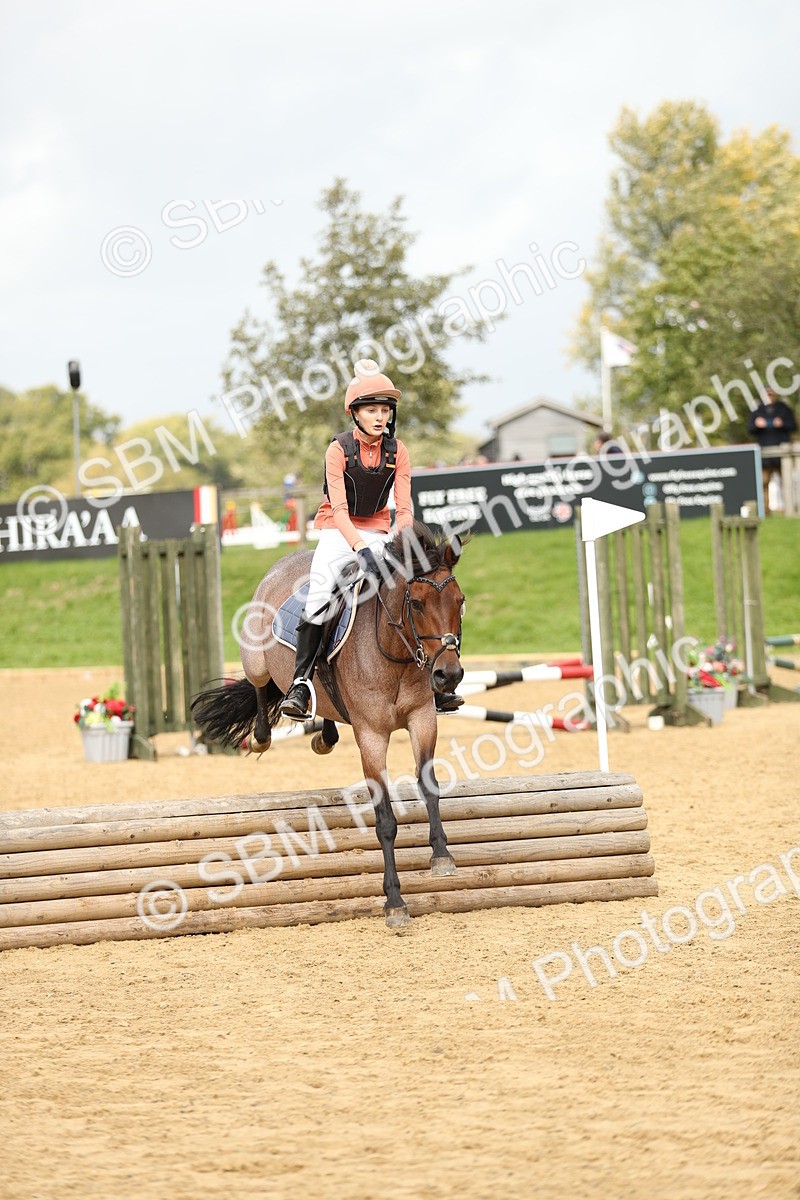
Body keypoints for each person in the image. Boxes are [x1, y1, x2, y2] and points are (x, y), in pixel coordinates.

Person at [279, 359, 463, 721]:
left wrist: (401, 539)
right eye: (371, 410)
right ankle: (300, 683)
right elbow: (341, 510)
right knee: (319, 597)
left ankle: (432, 682)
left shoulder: (399, 451)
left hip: (380, 532)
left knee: (413, 592)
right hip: (338, 530)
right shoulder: (338, 451)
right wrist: (360, 550)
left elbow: (404, 507)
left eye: (384, 410)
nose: (379, 417)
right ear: (355, 413)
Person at [747, 388, 797, 512]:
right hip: (765, 455)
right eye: (767, 394)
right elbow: (750, 429)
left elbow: (793, 426)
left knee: (787, 483)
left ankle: (789, 509)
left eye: (771, 394)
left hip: (783, 454)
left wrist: (782, 423)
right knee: (764, 483)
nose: (769, 397)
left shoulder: (784, 409)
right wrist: (757, 424)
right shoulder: (758, 411)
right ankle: (765, 510)